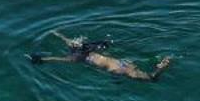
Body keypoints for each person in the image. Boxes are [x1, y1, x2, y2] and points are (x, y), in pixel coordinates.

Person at [29, 30, 174, 82]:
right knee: (148, 78)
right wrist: (57, 34)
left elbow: (58, 58)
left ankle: (160, 68)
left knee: (151, 78)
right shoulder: (85, 52)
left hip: (118, 68)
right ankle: (160, 67)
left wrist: (41, 59)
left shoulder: (77, 57)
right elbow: (66, 47)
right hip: (120, 65)